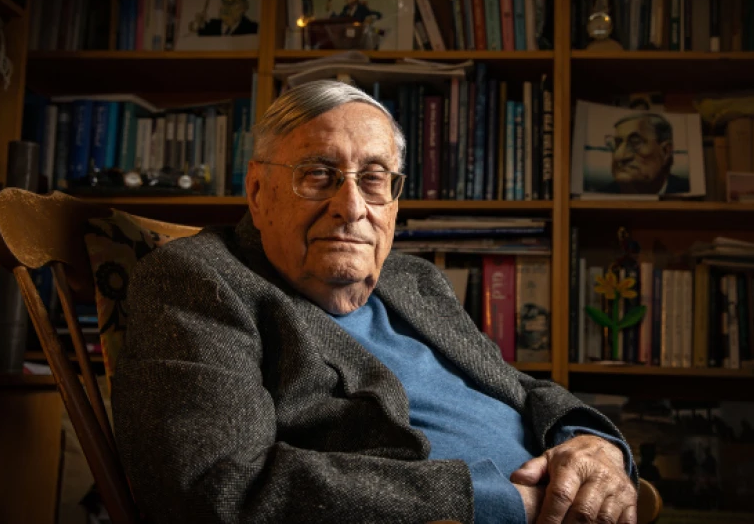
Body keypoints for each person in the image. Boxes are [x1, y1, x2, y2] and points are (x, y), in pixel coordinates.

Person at [112, 80, 639, 524]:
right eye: (318, 175)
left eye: (373, 179)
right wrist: (497, 501)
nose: (351, 207)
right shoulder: (200, 278)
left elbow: (516, 390)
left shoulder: (414, 279)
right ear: (257, 191)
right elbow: (214, 485)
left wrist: (592, 442)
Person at [600, 113, 690, 195]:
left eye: (635, 142)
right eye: (617, 143)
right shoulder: (603, 195)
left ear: (665, 151)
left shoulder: (685, 190)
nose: (618, 156)